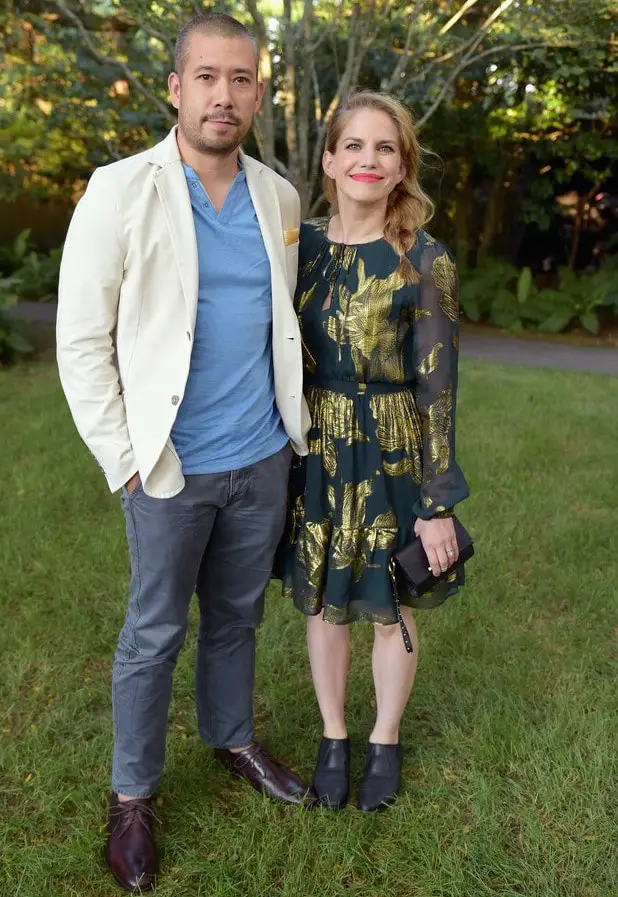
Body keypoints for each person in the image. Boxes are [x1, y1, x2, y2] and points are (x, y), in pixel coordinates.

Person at [56, 13, 312, 893]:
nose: (224, 96)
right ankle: (133, 796)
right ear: (175, 87)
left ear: (257, 91)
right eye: (207, 77)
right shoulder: (120, 189)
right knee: (154, 632)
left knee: (237, 618)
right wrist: (123, 457)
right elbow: (81, 340)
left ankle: (232, 736)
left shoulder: (278, 198)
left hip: (262, 458)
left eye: (241, 79)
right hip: (166, 467)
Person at [280, 91, 470, 813]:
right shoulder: (297, 247)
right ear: (329, 159)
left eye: (384, 148)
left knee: (391, 599)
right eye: (353, 145)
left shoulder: (425, 260)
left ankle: (384, 737)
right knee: (326, 598)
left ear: (402, 167)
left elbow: (440, 391)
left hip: (393, 444)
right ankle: (334, 735)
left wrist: (436, 502)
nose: (368, 159)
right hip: (318, 445)